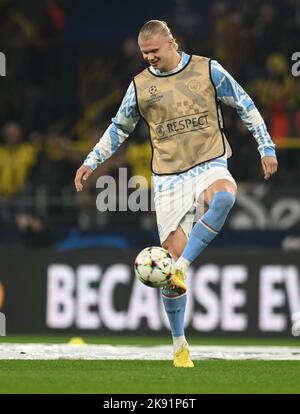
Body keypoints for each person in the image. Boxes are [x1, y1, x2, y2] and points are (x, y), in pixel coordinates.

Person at [75, 20, 278, 368]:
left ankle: (179, 267)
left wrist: (267, 147)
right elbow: (118, 127)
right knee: (168, 264)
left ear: (172, 42)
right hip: (168, 179)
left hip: (209, 162)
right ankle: (179, 344)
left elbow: (245, 104)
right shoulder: (140, 85)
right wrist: (92, 161)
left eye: (154, 51)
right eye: (144, 54)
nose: (149, 58)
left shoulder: (208, 69)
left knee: (225, 198)